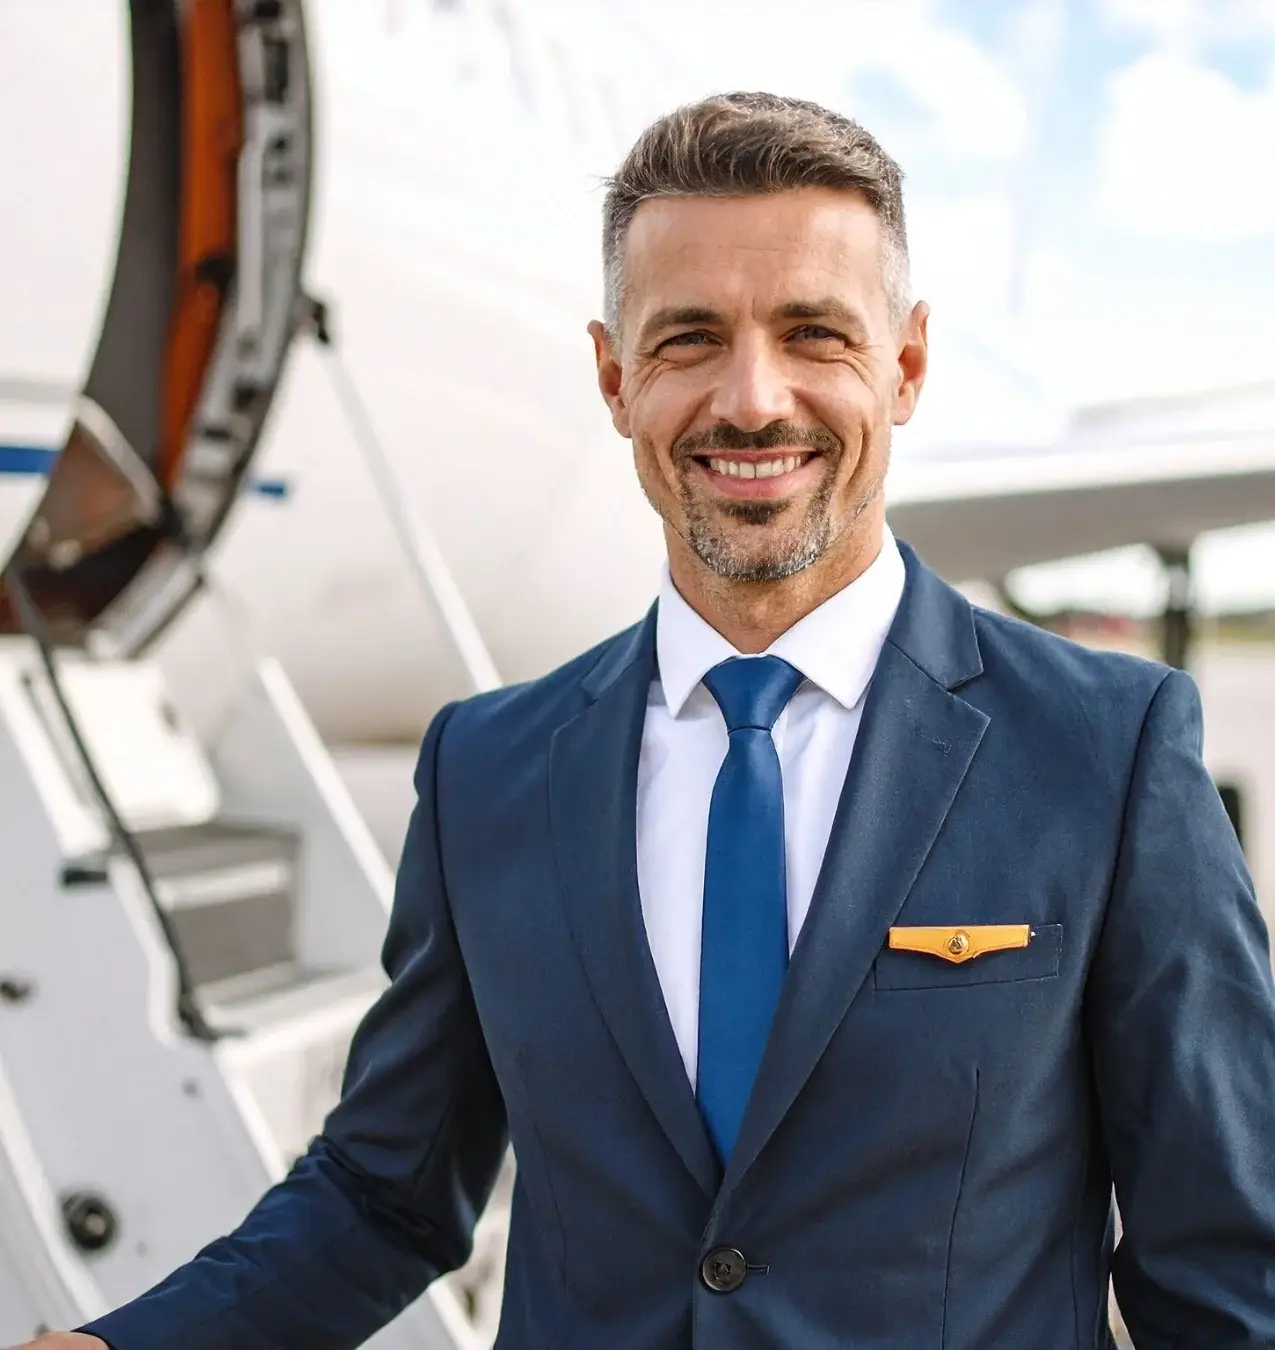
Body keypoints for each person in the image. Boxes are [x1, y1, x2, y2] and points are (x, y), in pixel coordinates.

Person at [16, 91, 1275, 1350]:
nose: (752, 399)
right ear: (616, 378)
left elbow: (1221, 1268)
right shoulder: (489, 772)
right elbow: (385, 1198)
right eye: (688, 341)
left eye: (813, 333)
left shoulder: (1106, 752)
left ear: (906, 365)